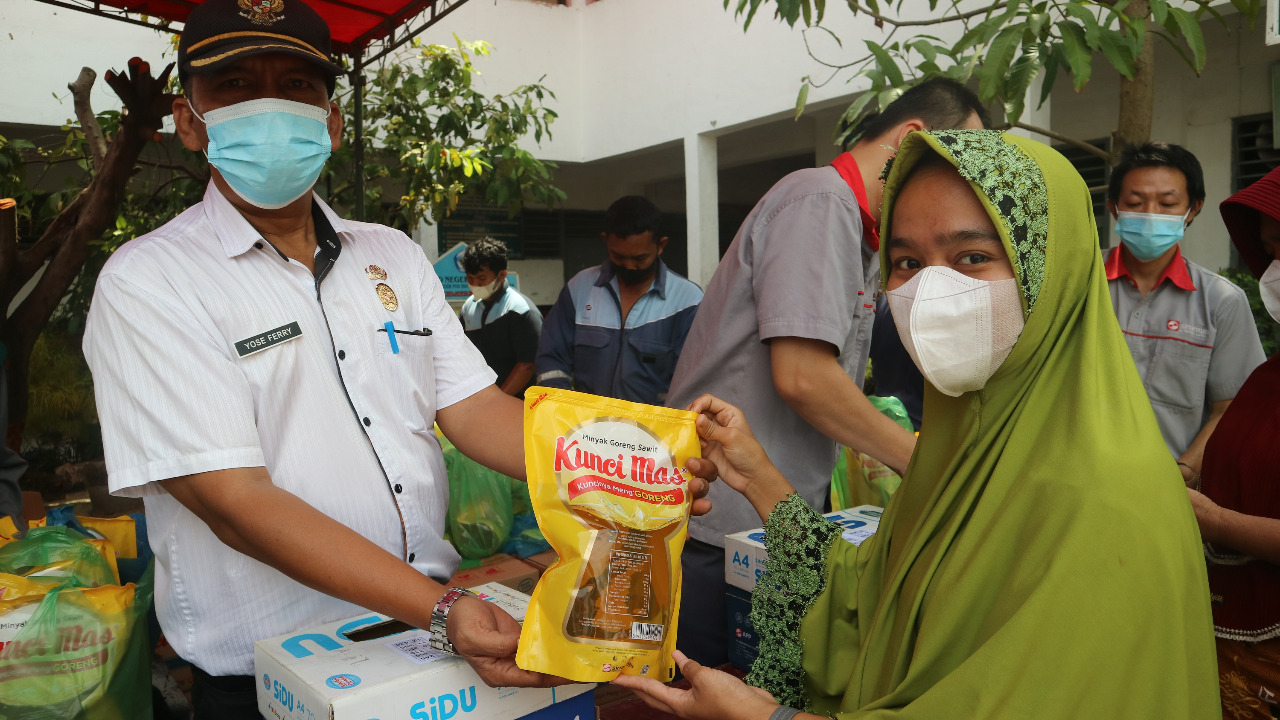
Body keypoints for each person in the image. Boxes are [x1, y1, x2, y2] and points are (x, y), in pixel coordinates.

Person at [79, 3, 712, 718]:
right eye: (234, 86)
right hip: (279, 676)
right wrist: (442, 610)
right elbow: (235, 501)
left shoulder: (392, 255)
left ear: (332, 119)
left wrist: (639, 463)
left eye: (295, 85)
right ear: (188, 119)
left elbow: (474, 411)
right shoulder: (151, 282)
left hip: (424, 643)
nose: (269, 107)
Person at [616, 130, 1219, 718]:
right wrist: (758, 477)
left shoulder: (1106, 503)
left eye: (973, 257)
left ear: (1053, 272)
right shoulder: (969, 448)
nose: (932, 288)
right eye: (906, 261)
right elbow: (870, 598)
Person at [665, 78, 989, 667]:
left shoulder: (862, 229)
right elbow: (803, 376)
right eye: (954, 166)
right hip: (724, 518)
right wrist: (923, 463)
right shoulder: (821, 201)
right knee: (723, 688)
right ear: (911, 140)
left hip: (766, 515)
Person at [1105, 142, 1265, 483]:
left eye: (1167, 203)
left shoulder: (1221, 301)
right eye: (1135, 202)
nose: (1150, 214)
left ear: (1192, 209)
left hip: (1166, 489)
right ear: (1114, 208)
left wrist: (1184, 472)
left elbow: (1232, 407)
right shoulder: (1076, 282)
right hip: (1072, 484)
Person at [1187, 165, 1280, 719]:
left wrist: (1217, 523)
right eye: (1271, 251)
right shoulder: (1269, 378)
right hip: (1228, 640)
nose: (1276, 269)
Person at [534, 195, 702, 405]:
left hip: (654, 432)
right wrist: (563, 409)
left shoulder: (688, 301)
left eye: (640, 258)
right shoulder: (578, 289)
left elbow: (694, 380)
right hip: (587, 428)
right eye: (619, 256)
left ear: (661, 245)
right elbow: (551, 358)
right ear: (605, 240)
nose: (629, 266)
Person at [459, 237, 542, 396]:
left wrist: (499, 400)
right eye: (470, 278)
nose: (475, 284)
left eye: (482, 279)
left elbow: (527, 365)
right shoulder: (468, 308)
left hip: (519, 402)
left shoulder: (520, 310)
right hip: (482, 400)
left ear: (502, 275)